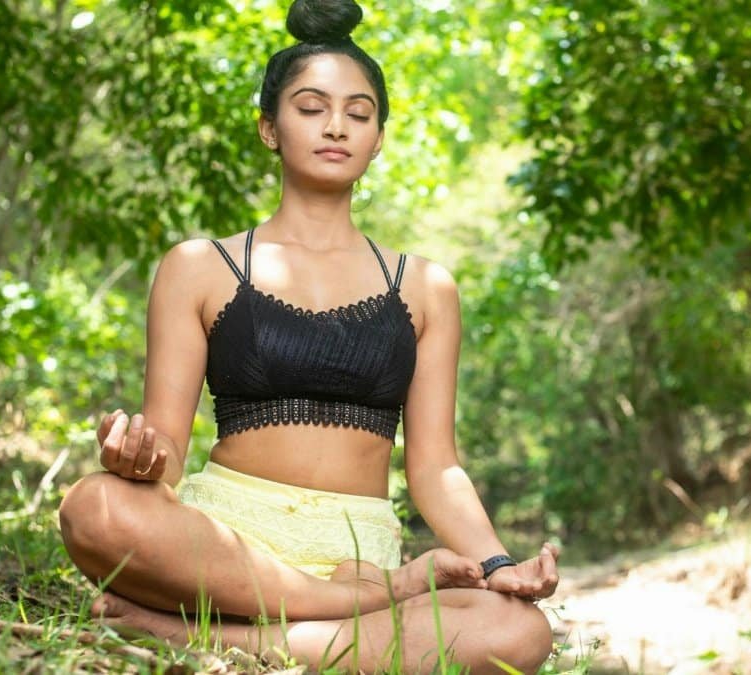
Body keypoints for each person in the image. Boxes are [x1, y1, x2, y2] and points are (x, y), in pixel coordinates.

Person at [57, 1, 559, 672]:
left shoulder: (425, 286)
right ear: (269, 128)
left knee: (520, 632)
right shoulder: (198, 267)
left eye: (359, 113)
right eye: (311, 107)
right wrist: (143, 462)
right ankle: (342, 607)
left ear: (379, 137)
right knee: (96, 506)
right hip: (225, 548)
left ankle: (210, 635)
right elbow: (169, 448)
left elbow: (435, 465)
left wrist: (497, 563)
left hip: (360, 551)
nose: (336, 126)